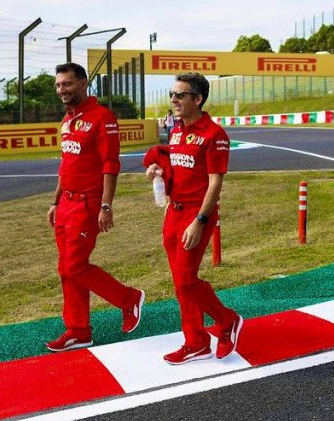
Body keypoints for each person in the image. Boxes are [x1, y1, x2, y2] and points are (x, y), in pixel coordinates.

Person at [144, 72, 243, 364]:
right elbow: (178, 167)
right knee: (179, 283)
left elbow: (215, 183)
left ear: (197, 99)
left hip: (197, 215)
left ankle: (227, 321)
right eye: (172, 95)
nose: (173, 100)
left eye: (180, 95)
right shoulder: (176, 130)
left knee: (187, 280)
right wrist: (159, 173)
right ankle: (196, 341)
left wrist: (199, 221)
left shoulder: (214, 135)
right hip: (173, 211)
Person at [46, 63, 145, 352]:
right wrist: (55, 201)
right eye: (58, 85)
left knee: (75, 265)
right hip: (65, 203)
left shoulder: (103, 117)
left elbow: (110, 165)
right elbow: (66, 166)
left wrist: (106, 205)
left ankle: (129, 299)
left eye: (67, 84)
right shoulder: (67, 120)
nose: (61, 90)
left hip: (89, 203)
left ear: (83, 83)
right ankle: (78, 330)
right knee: (66, 269)